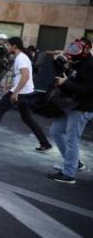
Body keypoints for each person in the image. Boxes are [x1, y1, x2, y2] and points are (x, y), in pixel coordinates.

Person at [0, 37, 52, 152]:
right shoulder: (22, 57)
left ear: (14, 46)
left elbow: (25, 76)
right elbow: (21, 76)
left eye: (8, 45)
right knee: (27, 118)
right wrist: (11, 86)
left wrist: (15, 92)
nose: (6, 47)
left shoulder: (21, 58)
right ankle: (45, 143)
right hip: (25, 92)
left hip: (20, 92)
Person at [47, 38, 93, 184]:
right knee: (55, 131)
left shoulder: (90, 65)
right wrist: (57, 63)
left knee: (72, 139)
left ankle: (69, 174)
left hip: (82, 107)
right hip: (71, 105)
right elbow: (63, 77)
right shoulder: (78, 63)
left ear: (86, 49)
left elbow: (87, 90)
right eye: (72, 47)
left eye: (76, 48)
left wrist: (66, 83)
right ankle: (74, 162)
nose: (72, 51)